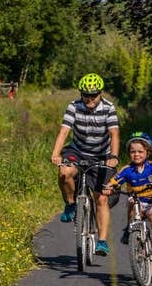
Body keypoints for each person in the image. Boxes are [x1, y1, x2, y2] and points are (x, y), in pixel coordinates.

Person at [50, 73, 120, 255]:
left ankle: (102, 241)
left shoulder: (108, 108)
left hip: (101, 155)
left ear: (100, 93)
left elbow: (114, 134)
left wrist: (113, 156)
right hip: (78, 151)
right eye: (85, 95)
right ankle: (71, 204)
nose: (89, 99)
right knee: (64, 173)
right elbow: (64, 131)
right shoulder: (74, 106)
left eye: (93, 95)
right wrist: (56, 153)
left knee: (101, 198)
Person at [102, 131, 152, 269]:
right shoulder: (127, 170)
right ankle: (129, 229)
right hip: (136, 202)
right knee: (132, 204)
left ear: (148, 152)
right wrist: (107, 188)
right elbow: (114, 181)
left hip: (151, 202)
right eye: (133, 152)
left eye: (140, 151)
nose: (136, 154)